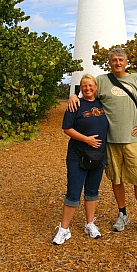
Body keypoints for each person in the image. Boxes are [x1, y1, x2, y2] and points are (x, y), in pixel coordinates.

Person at [68, 48, 137, 237]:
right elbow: (88, 93)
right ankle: (123, 213)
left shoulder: (136, 80)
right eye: (114, 60)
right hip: (109, 141)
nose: (117, 63)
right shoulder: (102, 81)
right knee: (116, 178)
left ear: (126, 62)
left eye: (121, 60)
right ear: (109, 63)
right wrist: (73, 95)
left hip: (132, 140)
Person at [53, 74, 108, 245]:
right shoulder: (74, 104)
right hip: (78, 154)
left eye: (91, 85)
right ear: (80, 88)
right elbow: (67, 128)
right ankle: (64, 229)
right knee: (73, 192)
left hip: (98, 155)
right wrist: (86, 139)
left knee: (92, 191)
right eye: (84, 86)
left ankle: (90, 224)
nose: (88, 88)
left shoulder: (102, 103)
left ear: (96, 87)